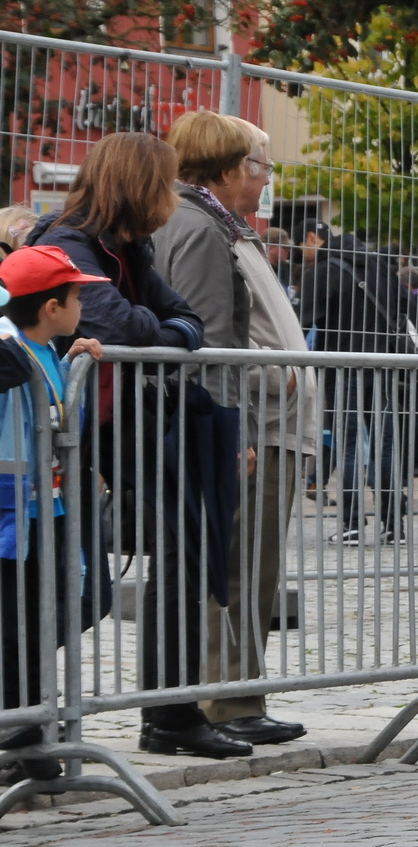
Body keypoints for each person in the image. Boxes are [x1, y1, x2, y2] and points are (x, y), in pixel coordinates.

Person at [25, 133, 239, 757]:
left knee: (181, 549)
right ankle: (24, 713)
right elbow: (120, 324)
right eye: (163, 183)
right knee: (79, 587)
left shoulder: (128, 247)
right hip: (70, 430)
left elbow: (189, 322)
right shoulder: (68, 244)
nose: (170, 195)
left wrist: (159, 331)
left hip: (122, 421)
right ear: (139, 185)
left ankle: (170, 715)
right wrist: (158, 331)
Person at [157, 111, 318, 749]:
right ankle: (227, 699)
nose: (267, 178)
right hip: (253, 423)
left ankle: (235, 695)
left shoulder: (223, 227)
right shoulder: (202, 227)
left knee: (252, 567)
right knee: (241, 566)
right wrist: (263, 391)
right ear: (231, 168)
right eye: (261, 166)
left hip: (263, 421)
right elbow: (210, 336)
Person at [0, 249, 106, 785]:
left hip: (46, 505)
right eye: (76, 296)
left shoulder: (44, 351)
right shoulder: (11, 350)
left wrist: (71, 364)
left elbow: (60, 420)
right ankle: (23, 729)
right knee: (17, 623)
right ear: (50, 307)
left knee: (52, 612)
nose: (82, 305)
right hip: (11, 512)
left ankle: (28, 726)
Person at [300, 222, 411, 544]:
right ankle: (393, 524)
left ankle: (351, 524)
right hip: (384, 365)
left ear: (314, 240)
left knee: (348, 445)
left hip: (342, 367)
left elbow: (303, 321)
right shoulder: (381, 267)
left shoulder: (323, 272)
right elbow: (403, 308)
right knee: (385, 445)